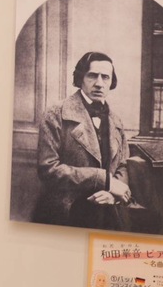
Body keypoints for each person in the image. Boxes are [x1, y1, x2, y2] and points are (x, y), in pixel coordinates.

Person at [32, 52, 132, 230]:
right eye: (92, 75)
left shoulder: (116, 121)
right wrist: (103, 180)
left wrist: (113, 194)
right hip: (66, 212)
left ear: (111, 82)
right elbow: (48, 169)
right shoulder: (56, 114)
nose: (99, 83)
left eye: (105, 77)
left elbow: (123, 165)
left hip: (109, 214)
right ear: (80, 78)